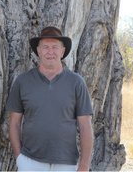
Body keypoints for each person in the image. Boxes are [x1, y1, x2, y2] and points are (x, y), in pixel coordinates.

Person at [6, 26, 94, 171]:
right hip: (30, 162)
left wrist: (84, 165)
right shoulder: (22, 82)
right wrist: (19, 157)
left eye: (55, 47)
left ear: (62, 51)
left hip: (67, 163)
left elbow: (85, 126)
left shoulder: (76, 82)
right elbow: (14, 122)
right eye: (45, 47)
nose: (50, 52)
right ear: (38, 51)